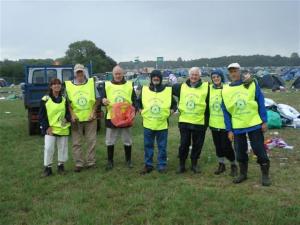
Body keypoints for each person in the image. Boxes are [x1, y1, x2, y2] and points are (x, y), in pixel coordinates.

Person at [222, 63, 271, 186]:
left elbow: (260, 102)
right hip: (237, 126)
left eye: (235, 71)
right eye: (231, 71)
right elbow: (226, 111)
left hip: (254, 123)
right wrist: (229, 130)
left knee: (259, 149)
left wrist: (264, 121)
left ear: (240, 71)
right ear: (229, 73)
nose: (233, 73)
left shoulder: (251, 84)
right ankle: (243, 174)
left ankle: (265, 175)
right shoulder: (226, 89)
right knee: (239, 151)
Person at [138, 70, 177, 174]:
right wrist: (139, 109)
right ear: (151, 78)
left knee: (162, 146)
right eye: (153, 76)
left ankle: (162, 165)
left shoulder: (167, 90)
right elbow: (138, 102)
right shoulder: (145, 90)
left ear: (160, 78)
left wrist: (172, 111)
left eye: (157, 77)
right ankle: (148, 165)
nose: (156, 78)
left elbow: (174, 104)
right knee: (148, 145)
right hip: (148, 123)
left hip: (162, 124)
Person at [172, 67, 209, 174]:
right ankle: (182, 165)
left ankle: (194, 164)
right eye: (192, 74)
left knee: (197, 145)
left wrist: (206, 121)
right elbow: (165, 91)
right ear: (189, 75)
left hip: (199, 122)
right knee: (184, 144)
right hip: (185, 122)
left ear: (199, 76)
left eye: (196, 75)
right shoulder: (180, 87)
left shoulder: (206, 87)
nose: (194, 77)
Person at [101, 65, 137, 170]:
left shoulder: (130, 85)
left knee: (127, 139)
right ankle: (110, 161)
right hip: (111, 117)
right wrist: (103, 100)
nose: (118, 76)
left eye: (119, 73)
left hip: (126, 117)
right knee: (110, 140)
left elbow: (134, 100)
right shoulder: (106, 85)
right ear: (113, 74)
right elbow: (102, 98)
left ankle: (128, 160)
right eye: (116, 74)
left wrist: (134, 110)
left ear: (123, 74)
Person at [65, 64, 100, 172]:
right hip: (76, 119)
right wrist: (72, 114)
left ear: (84, 72)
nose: (79, 74)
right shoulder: (68, 85)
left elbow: (98, 99)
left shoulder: (91, 83)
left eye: (81, 72)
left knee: (91, 141)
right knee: (76, 142)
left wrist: (93, 112)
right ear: (74, 73)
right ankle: (79, 164)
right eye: (77, 72)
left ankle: (91, 162)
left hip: (90, 118)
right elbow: (67, 102)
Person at [39, 78, 71, 176]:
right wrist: (47, 127)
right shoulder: (45, 99)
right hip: (50, 129)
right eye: (54, 84)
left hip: (62, 128)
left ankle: (61, 166)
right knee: (49, 148)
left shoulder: (64, 99)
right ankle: (47, 168)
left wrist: (67, 118)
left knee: (62, 148)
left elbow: (68, 113)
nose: (57, 86)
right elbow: (42, 115)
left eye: (58, 84)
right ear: (51, 86)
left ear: (61, 86)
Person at [209, 69, 237, 176]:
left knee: (226, 146)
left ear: (221, 77)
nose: (216, 79)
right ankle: (221, 164)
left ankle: (233, 164)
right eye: (214, 77)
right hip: (214, 124)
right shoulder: (209, 89)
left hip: (226, 124)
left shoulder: (227, 88)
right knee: (218, 146)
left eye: (218, 76)